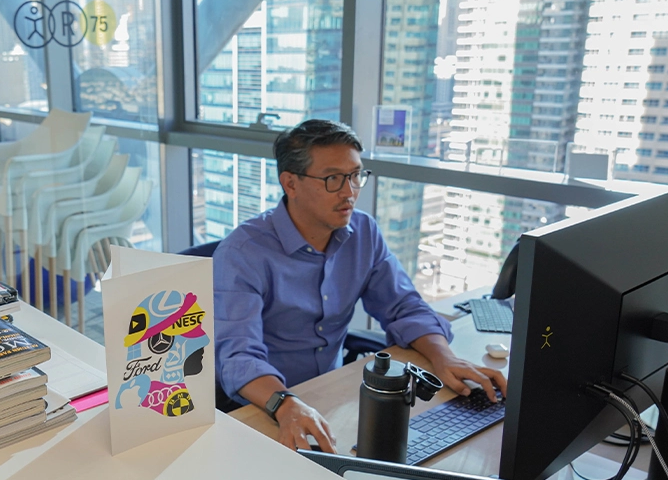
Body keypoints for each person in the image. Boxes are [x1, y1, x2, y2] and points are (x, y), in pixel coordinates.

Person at [213, 119, 506, 454]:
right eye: (333, 179)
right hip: (264, 406)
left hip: (331, 395)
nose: (349, 191)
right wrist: (286, 404)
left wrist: (444, 357)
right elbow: (237, 357)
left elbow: (403, 306)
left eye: (356, 176)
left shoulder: (363, 232)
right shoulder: (242, 254)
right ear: (290, 184)